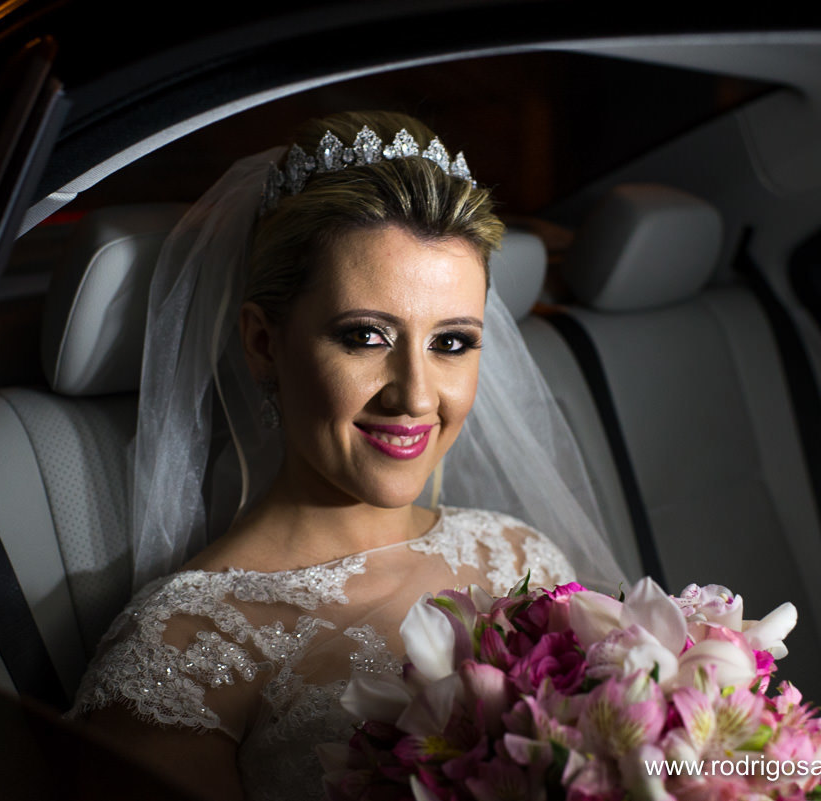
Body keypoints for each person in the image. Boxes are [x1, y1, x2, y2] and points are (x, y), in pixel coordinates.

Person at [68, 111, 624, 800]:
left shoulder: (520, 555)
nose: (414, 395)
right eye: (365, 336)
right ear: (264, 344)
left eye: (451, 342)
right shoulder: (183, 652)